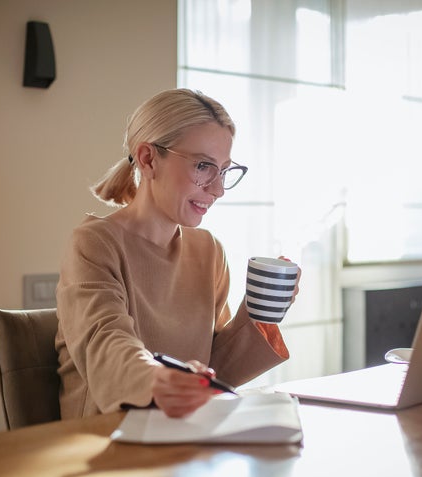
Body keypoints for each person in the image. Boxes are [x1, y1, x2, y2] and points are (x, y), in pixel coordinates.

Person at [55, 88, 297, 419]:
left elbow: (214, 371)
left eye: (224, 170)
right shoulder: (94, 244)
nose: (218, 189)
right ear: (148, 159)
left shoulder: (208, 250)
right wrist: (156, 379)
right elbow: (106, 342)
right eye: (203, 166)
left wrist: (261, 312)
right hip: (105, 439)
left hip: (181, 432)